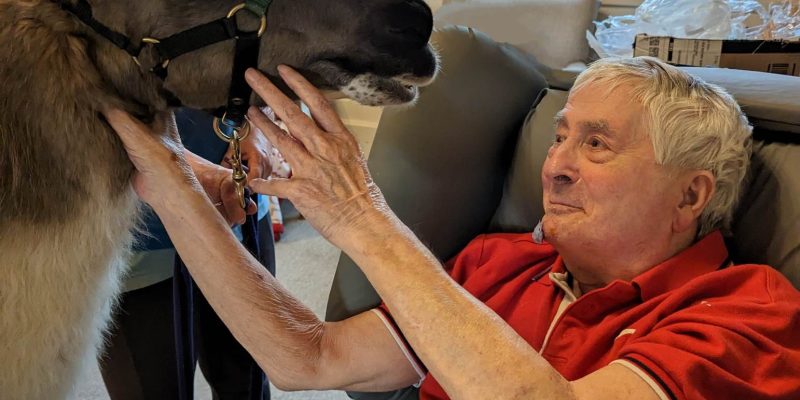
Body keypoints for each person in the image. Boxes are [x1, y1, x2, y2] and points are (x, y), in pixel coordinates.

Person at [103, 57, 800, 400]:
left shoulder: (748, 312)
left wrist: (360, 217)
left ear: (691, 194)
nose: (553, 166)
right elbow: (304, 357)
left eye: (595, 145)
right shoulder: (501, 265)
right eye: (558, 138)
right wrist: (172, 181)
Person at [99, 108, 274, 400]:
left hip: (239, 206)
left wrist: (259, 125)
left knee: (247, 383)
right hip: (138, 237)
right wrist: (183, 170)